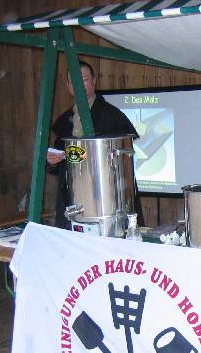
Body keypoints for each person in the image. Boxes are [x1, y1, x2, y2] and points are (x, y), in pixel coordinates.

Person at [47, 60, 139, 229]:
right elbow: (59, 160)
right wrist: (53, 161)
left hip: (107, 201)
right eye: (74, 81)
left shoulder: (112, 116)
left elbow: (122, 162)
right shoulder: (64, 121)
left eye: (84, 79)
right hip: (72, 201)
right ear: (68, 86)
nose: (79, 85)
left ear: (94, 81)